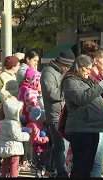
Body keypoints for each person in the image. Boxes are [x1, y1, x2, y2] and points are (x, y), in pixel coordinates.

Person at [61, 54, 103, 177]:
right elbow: (81, 98)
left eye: (90, 69)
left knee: (89, 166)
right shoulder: (70, 81)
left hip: (92, 127)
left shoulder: (87, 81)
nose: (89, 71)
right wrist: (102, 85)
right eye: (86, 68)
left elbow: (100, 97)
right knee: (80, 166)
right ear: (78, 67)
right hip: (80, 129)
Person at [82, 41, 103, 177]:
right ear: (95, 61)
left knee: (98, 161)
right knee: (96, 161)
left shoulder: (101, 77)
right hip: (95, 122)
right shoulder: (90, 78)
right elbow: (88, 99)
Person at [40, 49, 75, 177]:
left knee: (64, 146)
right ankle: (60, 172)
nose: (69, 70)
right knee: (60, 146)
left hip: (65, 114)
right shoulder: (48, 72)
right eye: (68, 67)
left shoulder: (62, 72)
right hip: (55, 115)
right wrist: (69, 92)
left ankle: (59, 170)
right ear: (63, 65)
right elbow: (51, 93)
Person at [0, 97, 30, 177]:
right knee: (14, 165)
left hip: (6, 147)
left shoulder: (4, 121)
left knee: (5, 164)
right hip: (14, 148)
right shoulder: (13, 123)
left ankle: (3, 175)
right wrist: (26, 135)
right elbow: (16, 136)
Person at [27, 107, 49, 178]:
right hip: (39, 148)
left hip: (41, 148)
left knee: (40, 160)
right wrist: (46, 139)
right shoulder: (35, 127)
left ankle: (39, 170)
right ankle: (38, 172)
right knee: (39, 160)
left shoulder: (40, 125)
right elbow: (37, 139)